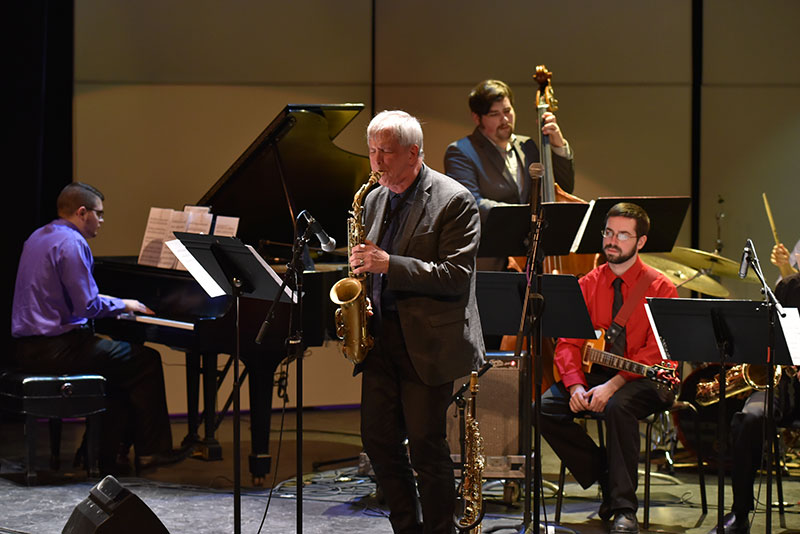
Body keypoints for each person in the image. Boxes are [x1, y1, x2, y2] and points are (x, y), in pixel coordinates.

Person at [350, 110, 485, 534]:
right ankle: (406, 526)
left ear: (413, 153)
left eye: (386, 152)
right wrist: (365, 294)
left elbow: (455, 277)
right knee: (377, 441)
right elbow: (372, 267)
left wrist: (390, 265)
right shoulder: (372, 199)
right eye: (372, 151)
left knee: (427, 448)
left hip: (429, 344)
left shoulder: (454, 200)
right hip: (381, 339)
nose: (377, 163)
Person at [10, 182, 184, 474]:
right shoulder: (73, 243)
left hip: (27, 348)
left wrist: (119, 302)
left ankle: (104, 454)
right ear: (82, 212)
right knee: (145, 361)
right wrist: (124, 305)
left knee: (118, 369)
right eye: (99, 214)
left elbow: (72, 297)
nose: (102, 221)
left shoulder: (38, 237)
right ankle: (153, 451)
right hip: (57, 349)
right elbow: (86, 306)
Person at [537, 203, 678, 534]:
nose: (613, 241)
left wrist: (612, 385)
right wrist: (574, 386)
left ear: (640, 242)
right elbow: (569, 343)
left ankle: (624, 508)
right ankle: (606, 475)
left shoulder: (661, 288)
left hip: (648, 378)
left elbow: (656, 353)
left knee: (618, 407)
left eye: (623, 235)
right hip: (594, 376)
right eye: (608, 233)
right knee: (543, 409)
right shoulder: (587, 284)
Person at [444, 79, 575, 270]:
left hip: (529, 260)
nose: (504, 120)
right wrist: (526, 217)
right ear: (477, 118)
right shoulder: (461, 151)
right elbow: (471, 204)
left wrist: (558, 145)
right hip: (490, 262)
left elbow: (563, 188)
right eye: (494, 114)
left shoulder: (527, 146)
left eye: (507, 111)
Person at [707, 271, 800, 534]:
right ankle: (740, 514)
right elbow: (763, 337)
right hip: (782, 382)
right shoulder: (789, 287)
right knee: (749, 419)